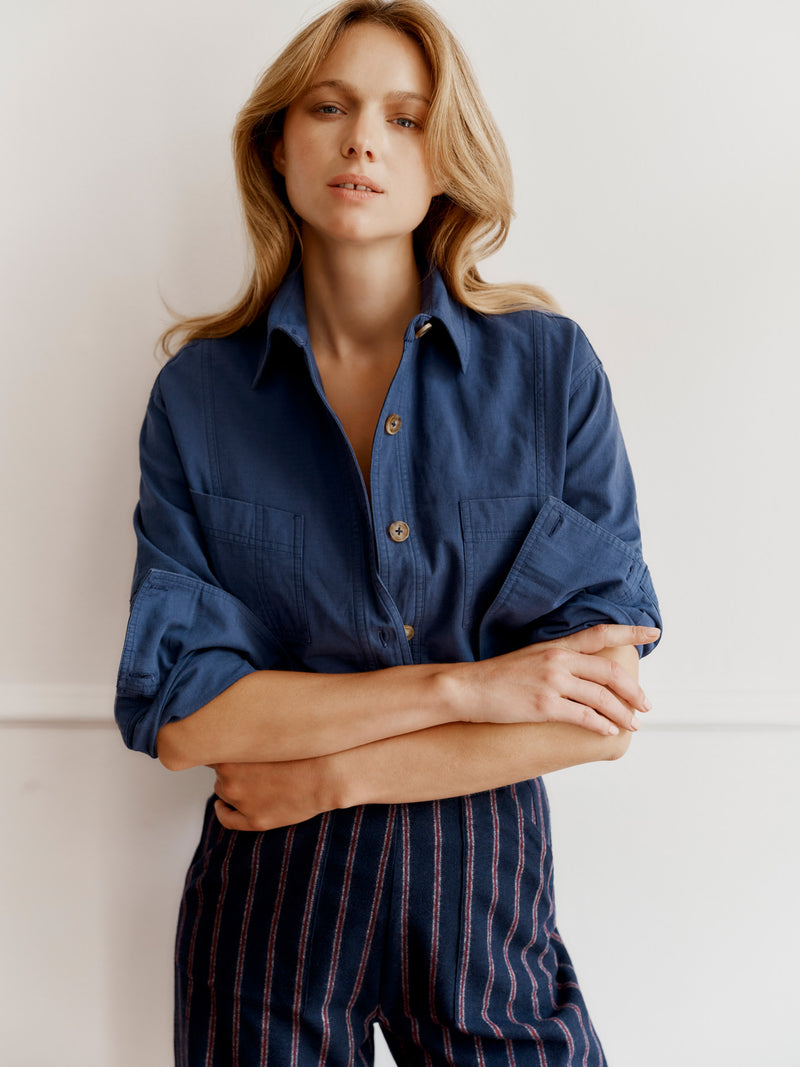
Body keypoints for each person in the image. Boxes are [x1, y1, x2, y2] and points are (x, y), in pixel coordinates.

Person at [114, 1, 662, 1064]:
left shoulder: (547, 373)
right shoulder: (201, 397)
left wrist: (331, 772)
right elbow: (187, 718)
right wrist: (469, 687)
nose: (363, 137)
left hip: (485, 919)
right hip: (266, 923)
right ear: (279, 143)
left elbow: (594, 712)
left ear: (444, 160)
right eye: (330, 106)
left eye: (405, 118)